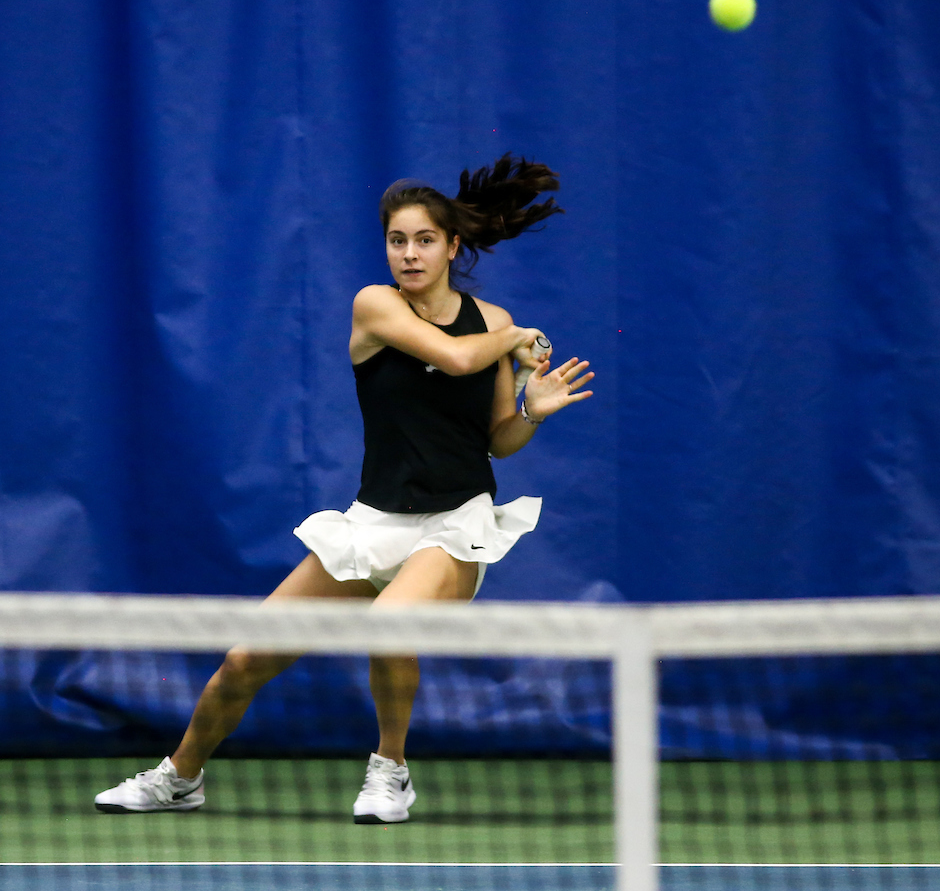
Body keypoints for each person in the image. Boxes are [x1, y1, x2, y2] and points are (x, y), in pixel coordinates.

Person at [94, 155, 594, 823]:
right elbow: (451, 356)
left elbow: (498, 437)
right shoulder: (377, 305)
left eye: (423, 240)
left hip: (455, 525)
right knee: (245, 659)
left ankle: (391, 770)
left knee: (391, 628)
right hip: (372, 522)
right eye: (397, 240)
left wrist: (531, 406)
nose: (409, 254)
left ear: (451, 246)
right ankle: (179, 777)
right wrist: (513, 339)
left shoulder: (493, 320)